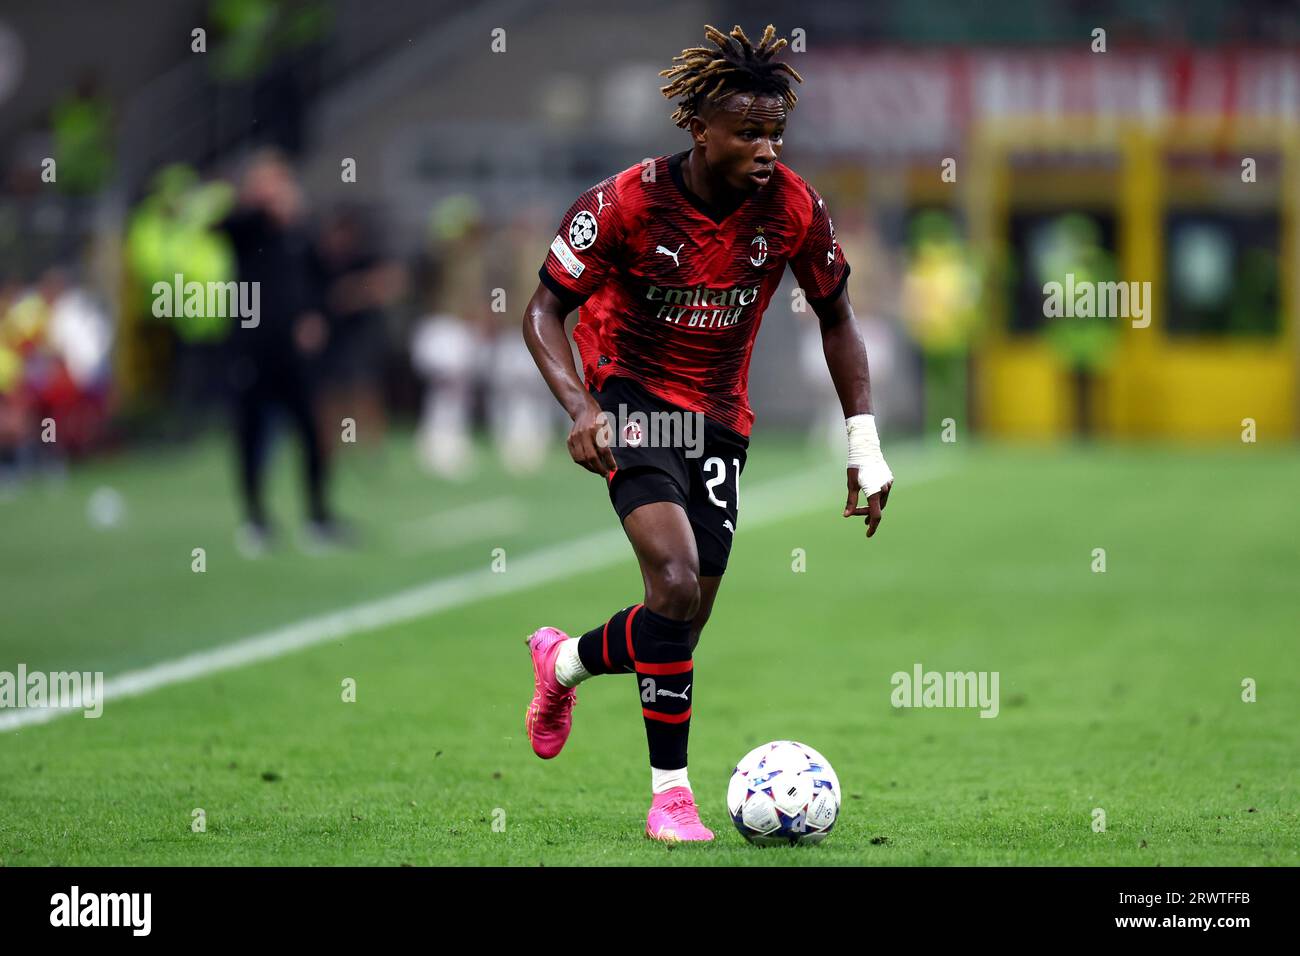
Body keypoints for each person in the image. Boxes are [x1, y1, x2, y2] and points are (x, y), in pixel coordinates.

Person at [519, 24, 895, 842]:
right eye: (749, 132)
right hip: (630, 396)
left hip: (720, 417)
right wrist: (582, 407)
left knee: (676, 618)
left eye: (776, 131)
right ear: (698, 128)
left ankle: (563, 663)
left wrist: (863, 443)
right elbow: (543, 309)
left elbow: (837, 315)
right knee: (676, 580)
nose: (767, 147)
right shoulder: (624, 202)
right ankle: (671, 800)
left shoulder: (792, 204)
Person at [218, 150, 342, 555]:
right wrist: (259, 206)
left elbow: (322, 283)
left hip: (296, 353)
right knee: (251, 435)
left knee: (311, 431)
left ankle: (318, 516)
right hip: (252, 348)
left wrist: (316, 318)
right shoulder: (247, 229)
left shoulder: (300, 233)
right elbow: (222, 228)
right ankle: (255, 519)